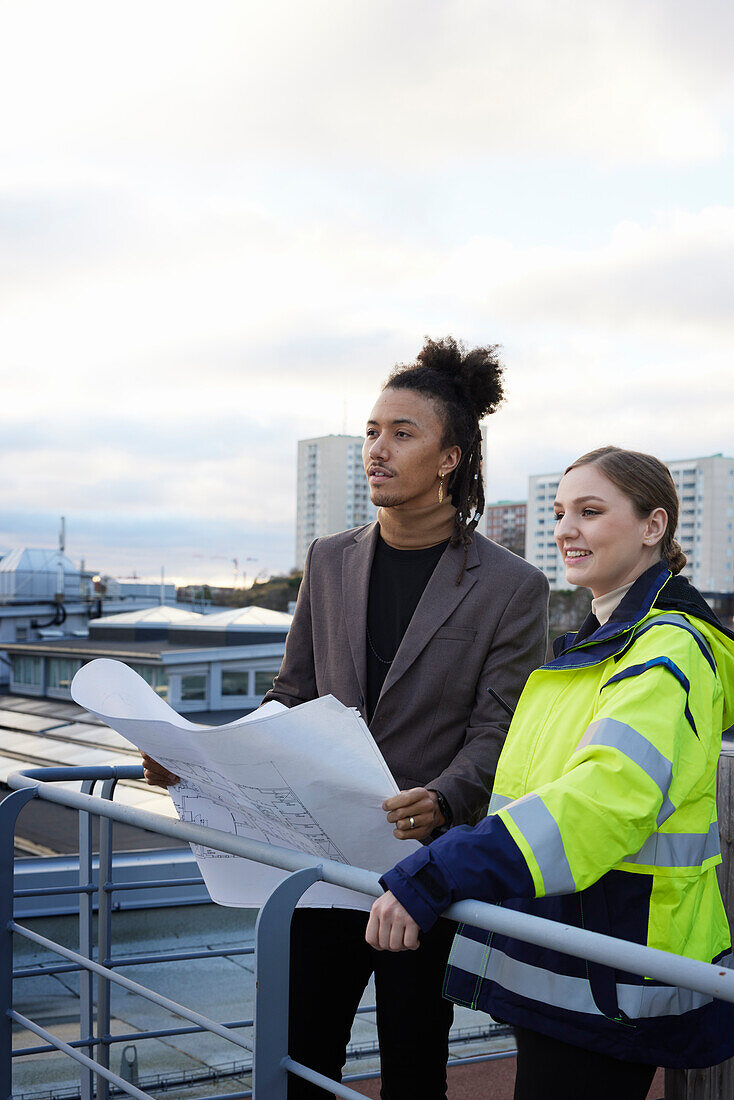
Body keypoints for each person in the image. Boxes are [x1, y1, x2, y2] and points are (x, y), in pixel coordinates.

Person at [143, 336, 550, 1098]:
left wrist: (446, 798)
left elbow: (500, 729)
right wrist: (201, 755)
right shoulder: (328, 558)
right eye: (371, 431)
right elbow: (290, 694)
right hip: (319, 859)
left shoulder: (512, 586)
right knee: (301, 1057)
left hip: (425, 870)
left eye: (402, 433)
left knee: (414, 1063)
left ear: (450, 458)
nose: (378, 449)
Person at [367, 445, 734, 1100]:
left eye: (590, 512)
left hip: (614, 963)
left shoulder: (667, 649)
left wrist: (443, 869)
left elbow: (601, 801)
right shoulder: (608, 644)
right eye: (561, 512)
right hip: (577, 948)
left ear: (653, 527)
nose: (566, 528)